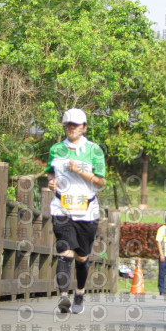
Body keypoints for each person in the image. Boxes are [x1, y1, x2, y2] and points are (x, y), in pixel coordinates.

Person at [46, 108, 106, 314]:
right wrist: (52, 183)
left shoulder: (94, 150)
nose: (72, 128)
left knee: (81, 257)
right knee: (64, 252)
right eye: (68, 124)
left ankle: (79, 292)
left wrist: (80, 171)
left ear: (84, 127)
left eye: (76, 125)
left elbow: (101, 182)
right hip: (61, 207)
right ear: (64, 126)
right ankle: (63, 296)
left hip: (87, 210)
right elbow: (50, 174)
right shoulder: (55, 149)